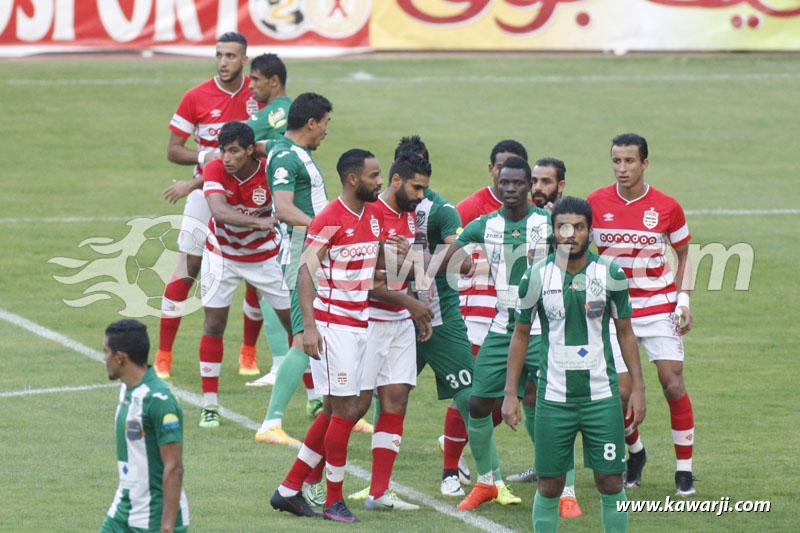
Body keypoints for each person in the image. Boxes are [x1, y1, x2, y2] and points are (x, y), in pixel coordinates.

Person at [502, 197, 647, 532]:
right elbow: (520, 336)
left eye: (578, 227)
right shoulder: (535, 277)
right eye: (563, 227)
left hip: (601, 399)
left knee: (611, 482)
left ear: (590, 232)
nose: (570, 234)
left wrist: (638, 388)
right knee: (550, 485)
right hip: (554, 400)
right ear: (553, 232)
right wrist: (510, 392)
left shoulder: (610, 273)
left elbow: (625, 332)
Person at [270, 149, 384, 523]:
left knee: (340, 408)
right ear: (353, 179)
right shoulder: (329, 219)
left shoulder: (375, 215)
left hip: (361, 325)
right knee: (346, 409)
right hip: (334, 328)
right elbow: (305, 273)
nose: (379, 181)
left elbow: (373, 262)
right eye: (373, 175)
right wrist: (309, 328)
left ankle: (289, 489)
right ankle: (333, 499)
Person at [391, 136, 507, 504]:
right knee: (386, 400)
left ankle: (485, 479)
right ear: (397, 175)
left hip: (442, 321)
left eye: (425, 177)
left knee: (472, 398)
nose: (421, 186)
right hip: (395, 321)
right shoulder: (377, 212)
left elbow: (464, 262)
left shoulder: (440, 210)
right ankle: (379, 486)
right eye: (414, 177)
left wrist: (415, 260)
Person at [252, 92, 370, 445]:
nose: (326, 132)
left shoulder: (282, 149)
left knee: (326, 333)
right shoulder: (288, 157)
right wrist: (326, 232)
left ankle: (335, 409)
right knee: (305, 337)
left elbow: (260, 146)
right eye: (326, 124)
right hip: (305, 254)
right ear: (311, 123)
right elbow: (284, 208)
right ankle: (270, 423)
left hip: (313, 250)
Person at [587, 133, 696, 496]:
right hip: (616, 312)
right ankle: (635, 452)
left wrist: (683, 300)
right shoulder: (595, 202)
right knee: (620, 392)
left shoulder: (666, 206)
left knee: (673, 383)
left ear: (645, 163)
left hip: (658, 305)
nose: (622, 168)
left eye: (629, 161)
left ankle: (684, 472)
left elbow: (684, 254)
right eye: (616, 161)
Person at [441, 157, 550, 510]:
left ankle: (564, 491)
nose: (511, 189)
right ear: (497, 183)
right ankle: (486, 482)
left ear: (529, 184)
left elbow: (580, 256)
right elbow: (448, 254)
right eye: (505, 183)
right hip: (504, 327)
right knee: (476, 402)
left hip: (547, 328)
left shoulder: (548, 223)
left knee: (554, 406)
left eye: (518, 183)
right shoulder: (484, 225)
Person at [157, 32, 265, 379]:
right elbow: (173, 150)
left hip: (251, 191)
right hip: (208, 191)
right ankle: (163, 355)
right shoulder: (196, 96)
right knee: (188, 266)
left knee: (258, 268)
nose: (223, 62)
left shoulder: (259, 94)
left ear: (244, 60)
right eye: (219, 55)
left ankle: (248, 354)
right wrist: (207, 156)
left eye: (231, 56)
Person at [346, 152, 434, 511]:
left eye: (425, 189)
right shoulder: (371, 215)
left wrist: (416, 305)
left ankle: (378, 493)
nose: (421, 195)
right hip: (368, 322)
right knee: (353, 406)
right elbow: (361, 281)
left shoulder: (411, 215)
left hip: (398, 322)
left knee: (396, 400)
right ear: (396, 180)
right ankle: (307, 478)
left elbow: (409, 271)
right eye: (416, 187)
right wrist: (410, 301)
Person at [446, 140, 529, 495]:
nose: (504, 179)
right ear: (492, 170)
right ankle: (453, 467)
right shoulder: (472, 208)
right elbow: (450, 254)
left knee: (510, 395)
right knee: (471, 393)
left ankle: (463, 449)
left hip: (518, 316)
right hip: (476, 314)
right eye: (498, 169)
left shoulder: (533, 213)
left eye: (512, 173)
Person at [196, 121, 292, 428]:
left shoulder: (270, 170)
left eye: (234, 151)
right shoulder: (214, 169)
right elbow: (219, 211)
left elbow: (283, 149)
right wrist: (258, 223)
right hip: (221, 254)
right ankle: (209, 404)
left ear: (251, 150)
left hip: (265, 257)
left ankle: (317, 396)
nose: (226, 158)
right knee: (214, 322)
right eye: (223, 151)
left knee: (298, 323)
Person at [506, 156, 583, 519]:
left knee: (561, 399)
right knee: (533, 395)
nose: (538, 187)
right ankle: (546, 466)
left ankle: (565, 481)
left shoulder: (565, 223)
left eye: (546, 182)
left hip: (560, 324)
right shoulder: (520, 215)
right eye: (534, 180)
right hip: (526, 316)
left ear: (561, 186)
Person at [100, 319, 189, 533]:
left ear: (120, 357)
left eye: (106, 352)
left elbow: (174, 467)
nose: (104, 358)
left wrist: (167, 527)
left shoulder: (158, 401)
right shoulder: (127, 389)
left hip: (153, 519)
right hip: (122, 509)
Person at [240, 52, 295, 388]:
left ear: (274, 81)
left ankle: (283, 364)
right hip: (278, 210)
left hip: (283, 214)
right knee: (270, 287)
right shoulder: (279, 112)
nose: (251, 86)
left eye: (256, 79)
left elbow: (243, 138)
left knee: (275, 288)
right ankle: (284, 362)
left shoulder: (277, 112)